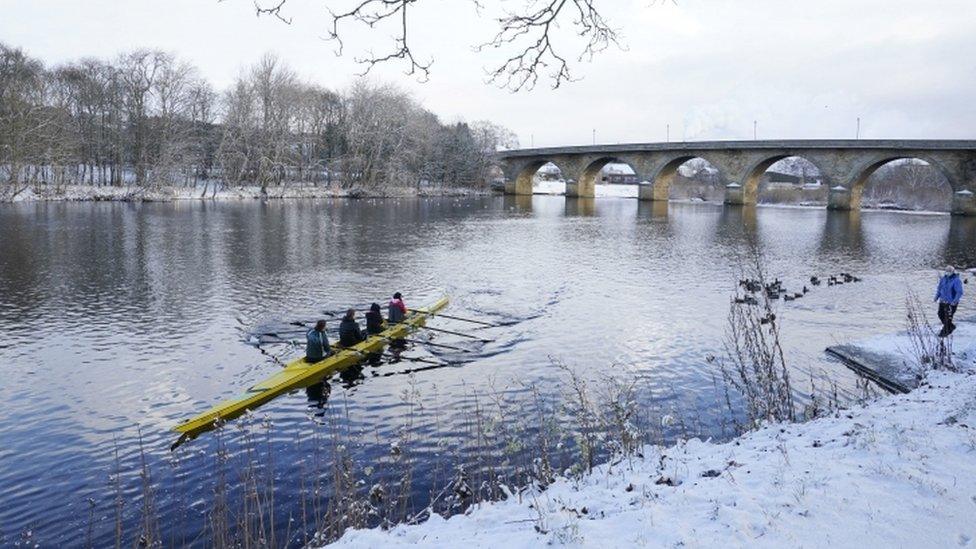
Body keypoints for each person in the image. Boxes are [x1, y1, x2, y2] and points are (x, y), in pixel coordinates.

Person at [935, 265, 963, 337]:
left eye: (949, 271)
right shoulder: (943, 279)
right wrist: (936, 297)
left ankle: (945, 331)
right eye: (946, 271)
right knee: (940, 314)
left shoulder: (956, 280)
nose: (947, 273)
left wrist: (955, 301)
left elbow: (959, 292)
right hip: (942, 301)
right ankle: (951, 326)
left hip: (951, 303)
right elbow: (939, 289)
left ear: (953, 272)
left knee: (948, 317)